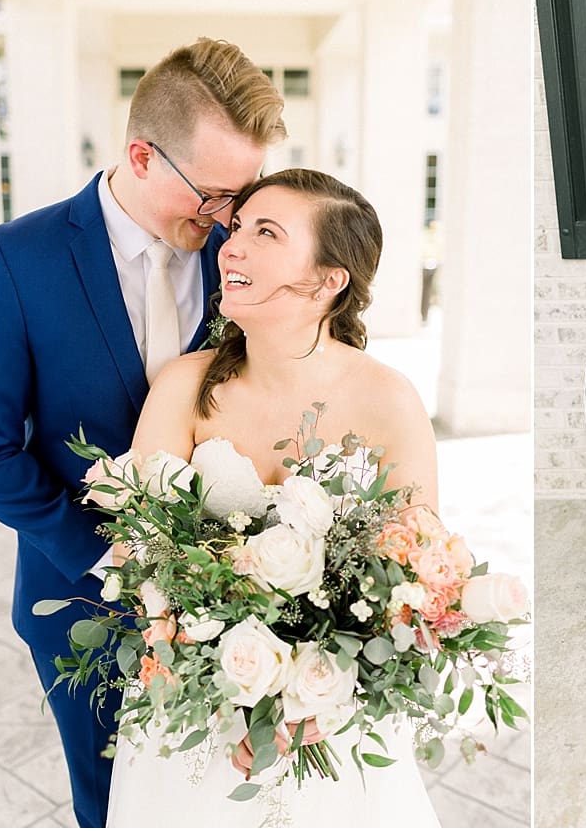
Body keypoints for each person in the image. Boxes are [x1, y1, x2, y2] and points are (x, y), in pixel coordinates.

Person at [0, 37, 286, 827]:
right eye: (213, 195)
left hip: (236, 607)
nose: (228, 219)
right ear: (142, 156)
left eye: (241, 196)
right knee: (111, 806)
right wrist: (110, 563)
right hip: (80, 604)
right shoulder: (17, 258)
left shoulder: (237, 257)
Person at [103, 168, 441, 826]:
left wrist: (318, 688)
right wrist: (216, 670)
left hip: (333, 712)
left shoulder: (389, 399)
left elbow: (417, 573)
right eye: (237, 228)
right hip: (194, 703)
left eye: (266, 233)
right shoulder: (185, 384)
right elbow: (137, 548)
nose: (230, 246)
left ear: (328, 280)